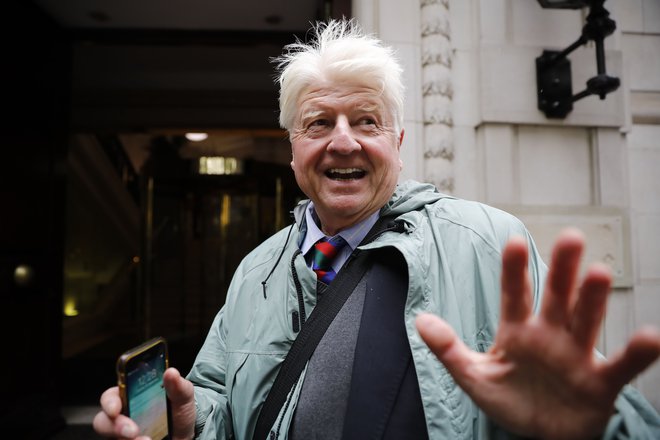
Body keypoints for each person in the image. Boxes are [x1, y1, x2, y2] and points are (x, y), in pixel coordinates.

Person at [93, 19, 660, 440]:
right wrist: (192, 422)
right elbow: (220, 399)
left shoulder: (487, 243)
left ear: (398, 143)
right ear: (294, 150)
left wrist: (596, 428)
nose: (344, 141)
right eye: (319, 123)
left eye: (367, 121)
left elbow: (583, 397)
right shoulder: (256, 270)